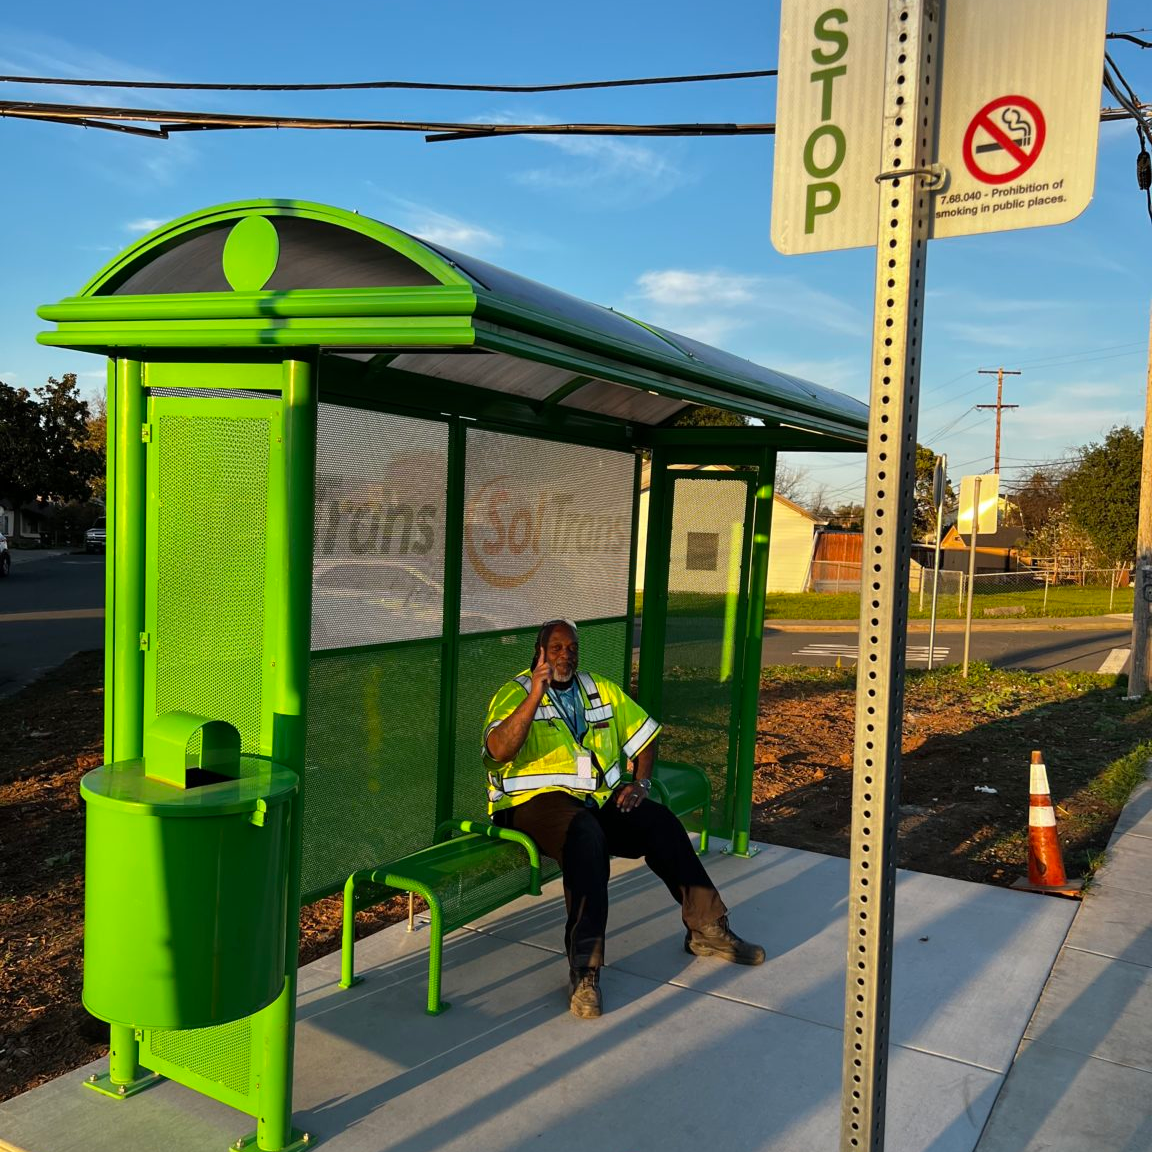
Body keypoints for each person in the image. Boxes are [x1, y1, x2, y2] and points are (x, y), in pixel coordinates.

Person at [483, 618, 764, 1020]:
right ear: (539, 652)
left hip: (592, 801)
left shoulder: (600, 689)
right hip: (530, 805)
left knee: (660, 823)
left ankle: (708, 928)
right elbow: (498, 751)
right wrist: (535, 697)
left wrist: (642, 783)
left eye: (572, 648)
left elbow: (645, 736)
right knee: (585, 836)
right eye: (557, 648)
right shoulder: (514, 693)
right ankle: (585, 970)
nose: (566, 655)